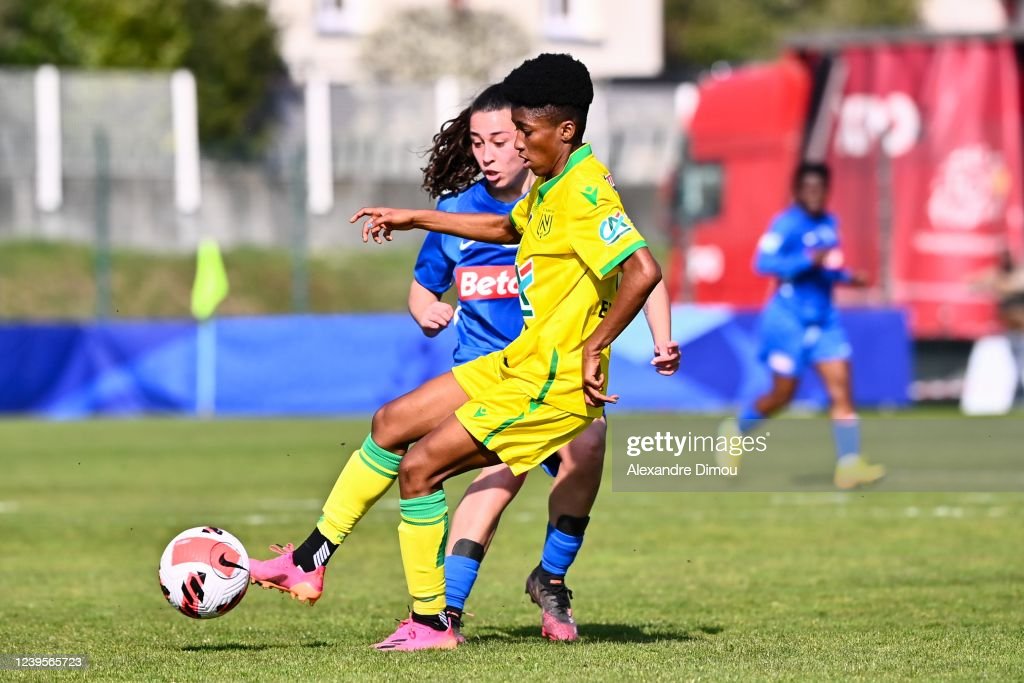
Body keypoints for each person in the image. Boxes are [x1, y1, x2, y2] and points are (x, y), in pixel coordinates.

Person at [249, 53, 664, 651]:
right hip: (517, 363)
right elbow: (507, 230)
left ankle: (434, 623)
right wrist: (416, 218)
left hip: (550, 383)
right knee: (391, 423)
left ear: (565, 130)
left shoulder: (587, 192)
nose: (517, 146)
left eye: (524, 132)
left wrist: (597, 346)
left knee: (421, 470)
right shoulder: (553, 186)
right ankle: (310, 560)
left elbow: (642, 270)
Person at [409, 84, 679, 641]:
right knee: (495, 475)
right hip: (497, 368)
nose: (489, 152)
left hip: (559, 373)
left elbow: (638, 267)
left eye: (505, 138)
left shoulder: (573, 191)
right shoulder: (466, 210)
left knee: (589, 449)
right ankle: (446, 608)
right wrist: (427, 301)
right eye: (478, 141)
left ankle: (548, 578)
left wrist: (657, 336)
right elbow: (424, 284)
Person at [720, 162, 885, 490]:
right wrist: (807, 260)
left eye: (819, 188)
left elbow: (823, 270)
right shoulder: (786, 225)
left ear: (827, 191)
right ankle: (735, 431)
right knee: (782, 395)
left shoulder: (829, 223)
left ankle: (848, 466)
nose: (814, 194)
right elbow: (763, 263)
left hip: (825, 321)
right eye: (807, 188)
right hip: (788, 323)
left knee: (841, 390)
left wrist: (846, 277)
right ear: (797, 191)